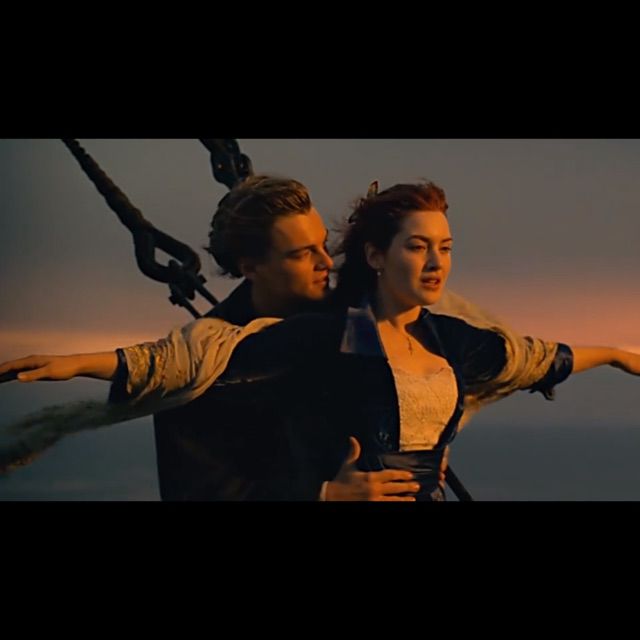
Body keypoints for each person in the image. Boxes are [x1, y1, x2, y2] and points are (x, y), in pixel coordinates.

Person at [3, 180, 638, 500]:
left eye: (322, 246)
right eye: (300, 254)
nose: (323, 264)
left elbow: (509, 358)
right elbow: (208, 488)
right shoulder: (210, 376)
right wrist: (324, 493)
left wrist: (418, 448)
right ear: (250, 266)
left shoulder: (365, 322)